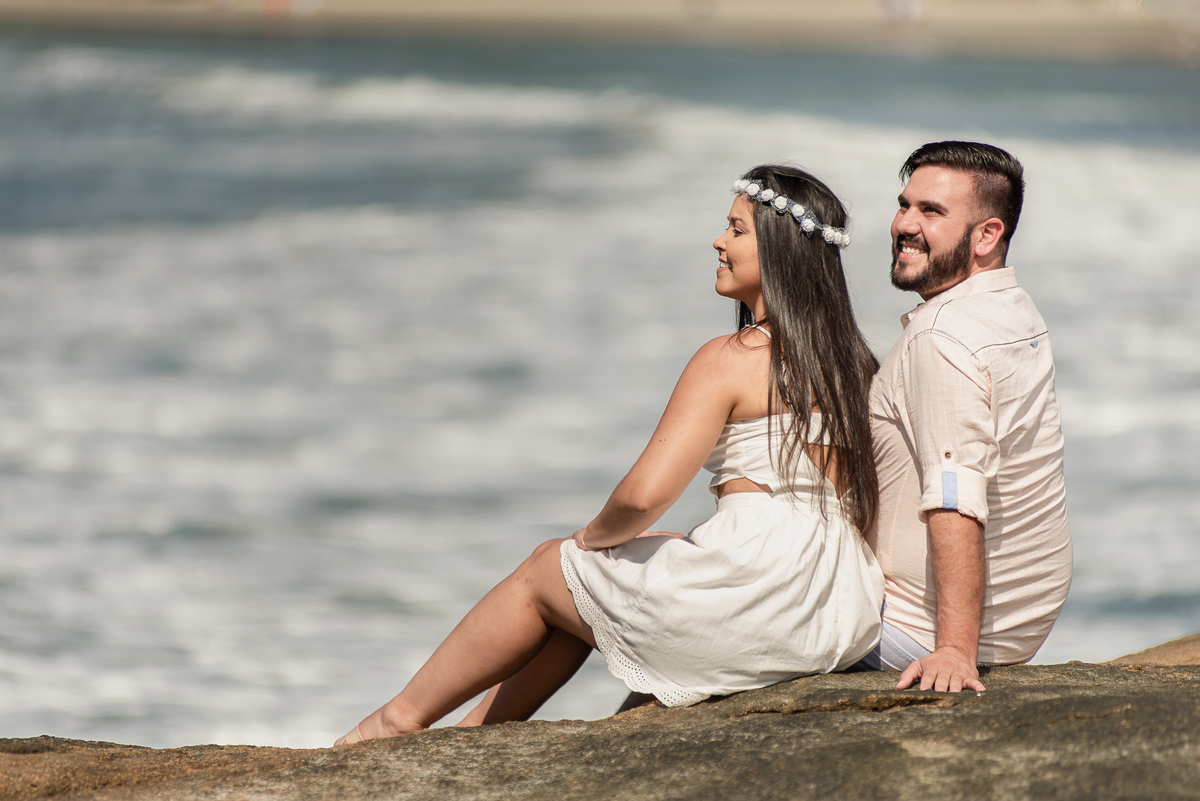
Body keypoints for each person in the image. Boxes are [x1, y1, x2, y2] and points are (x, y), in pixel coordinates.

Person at [334, 165, 884, 744]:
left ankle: (395, 720)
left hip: (758, 597)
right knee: (596, 584)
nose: (718, 242)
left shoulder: (732, 356)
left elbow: (644, 496)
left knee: (553, 566)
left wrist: (591, 538)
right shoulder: (858, 365)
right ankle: (473, 733)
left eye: (736, 230)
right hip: (832, 610)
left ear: (778, 251)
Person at [863, 141, 1073, 693]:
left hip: (917, 626)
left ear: (987, 235)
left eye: (931, 212)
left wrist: (954, 648)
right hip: (1020, 621)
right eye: (905, 204)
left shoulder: (943, 339)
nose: (904, 224)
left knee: (690, 612)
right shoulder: (1016, 310)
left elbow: (955, 492)